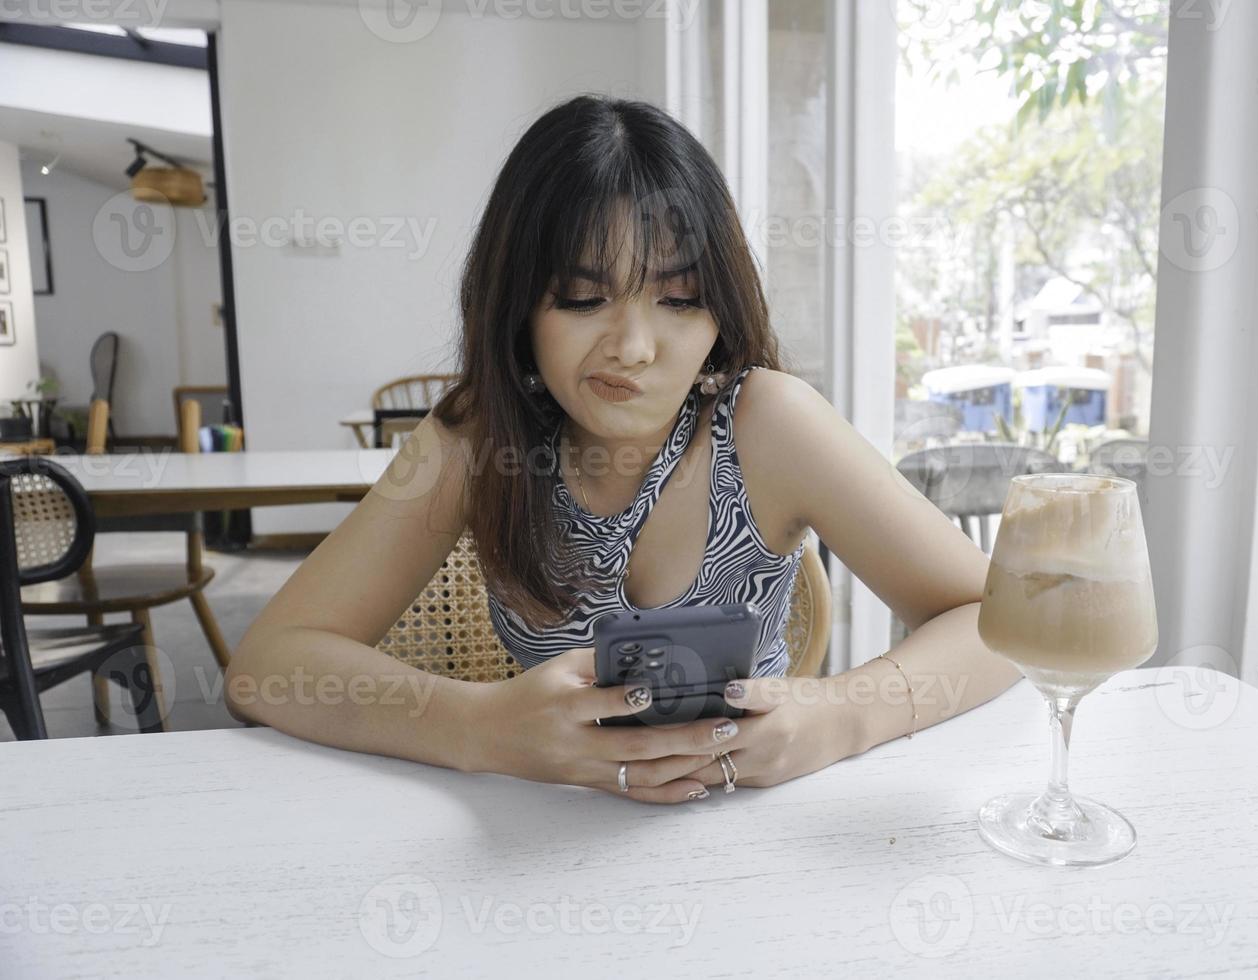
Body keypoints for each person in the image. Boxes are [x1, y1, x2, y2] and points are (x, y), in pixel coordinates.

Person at [225, 94, 1022, 803]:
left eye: (679, 299)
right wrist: (480, 727)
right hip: (542, 839)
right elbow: (269, 666)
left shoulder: (768, 424)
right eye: (582, 297)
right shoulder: (474, 442)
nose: (635, 347)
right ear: (517, 305)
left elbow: (1002, 621)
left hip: (761, 836)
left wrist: (842, 716)